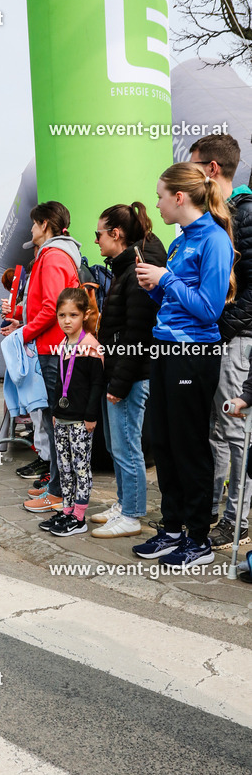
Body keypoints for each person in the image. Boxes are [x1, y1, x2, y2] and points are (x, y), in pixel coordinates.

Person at [134, 162, 236, 569]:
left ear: (180, 197)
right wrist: (154, 288)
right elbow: (175, 302)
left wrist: (165, 280)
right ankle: (173, 528)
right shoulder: (179, 243)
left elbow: (210, 309)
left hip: (194, 354)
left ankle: (199, 538)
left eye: (161, 196)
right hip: (165, 349)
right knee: (164, 442)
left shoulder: (213, 239)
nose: (156, 203)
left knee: (189, 445)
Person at [189, 134, 252, 550]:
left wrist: (221, 326)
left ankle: (237, 519)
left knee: (234, 429)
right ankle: (212, 509)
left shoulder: (245, 215)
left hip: (237, 340)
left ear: (212, 169)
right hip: (219, 337)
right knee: (214, 431)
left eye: (195, 167)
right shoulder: (219, 218)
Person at [90, 202, 167, 538]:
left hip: (131, 376)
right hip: (120, 373)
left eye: (99, 234)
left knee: (126, 446)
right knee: (116, 445)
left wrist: (120, 382)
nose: (96, 241)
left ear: (116, 234)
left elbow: (138, 334)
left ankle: (133, 515)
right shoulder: (125, 268)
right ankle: (124, 504)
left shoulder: (137, 270)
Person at [1, 202, 84, 514]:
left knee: (58, 423)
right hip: (53, 347)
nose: (30, 229)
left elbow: (52, 308)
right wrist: (21, 316)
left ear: (46, 224)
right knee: (57, 422)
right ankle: (57, 488)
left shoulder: (51, 257)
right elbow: (44, 304)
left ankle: (59, 492)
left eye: (34, 224)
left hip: (51, 350)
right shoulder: (54, 255)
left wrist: (23, 334)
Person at [38, 288, 104, 536]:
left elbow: (97, 385)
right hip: (62, 418)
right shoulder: (63, 344)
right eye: (62, 315)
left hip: (80, 421)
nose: (67, 321)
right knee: (64, 466)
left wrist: (91, 416)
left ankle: (79, 516)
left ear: (85, 315)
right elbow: (58, 383)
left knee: (80, 467)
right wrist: (55, 410)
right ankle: (66, 510)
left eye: (73, 315)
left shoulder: (91, 346)